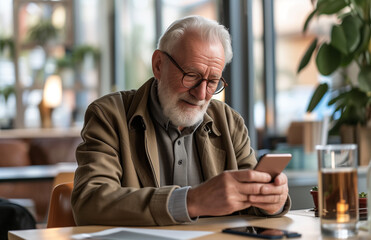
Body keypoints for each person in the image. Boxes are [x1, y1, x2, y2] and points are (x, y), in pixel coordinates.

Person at [71, 15, 291, 226]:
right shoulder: (109, 115)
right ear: (158, 65)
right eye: (192, 76)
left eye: (213, 81)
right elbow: (90, 202)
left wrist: (272, 200)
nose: (202, 93)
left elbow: (253, 199)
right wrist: (191, 201)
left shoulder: (229, 121)